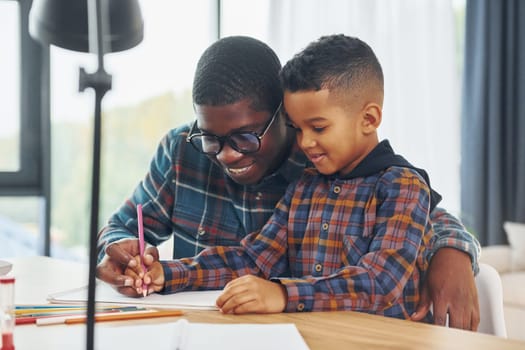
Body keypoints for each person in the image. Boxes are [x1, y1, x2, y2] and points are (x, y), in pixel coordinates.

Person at [96, 35, 481, 328]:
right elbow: (252, 258)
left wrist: (453, 252)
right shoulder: (309, 181)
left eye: (245, 138)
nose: (227, 155)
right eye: (212, 138)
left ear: (281, 116)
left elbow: (385, 272)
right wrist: (166, 273)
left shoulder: (368, 175)